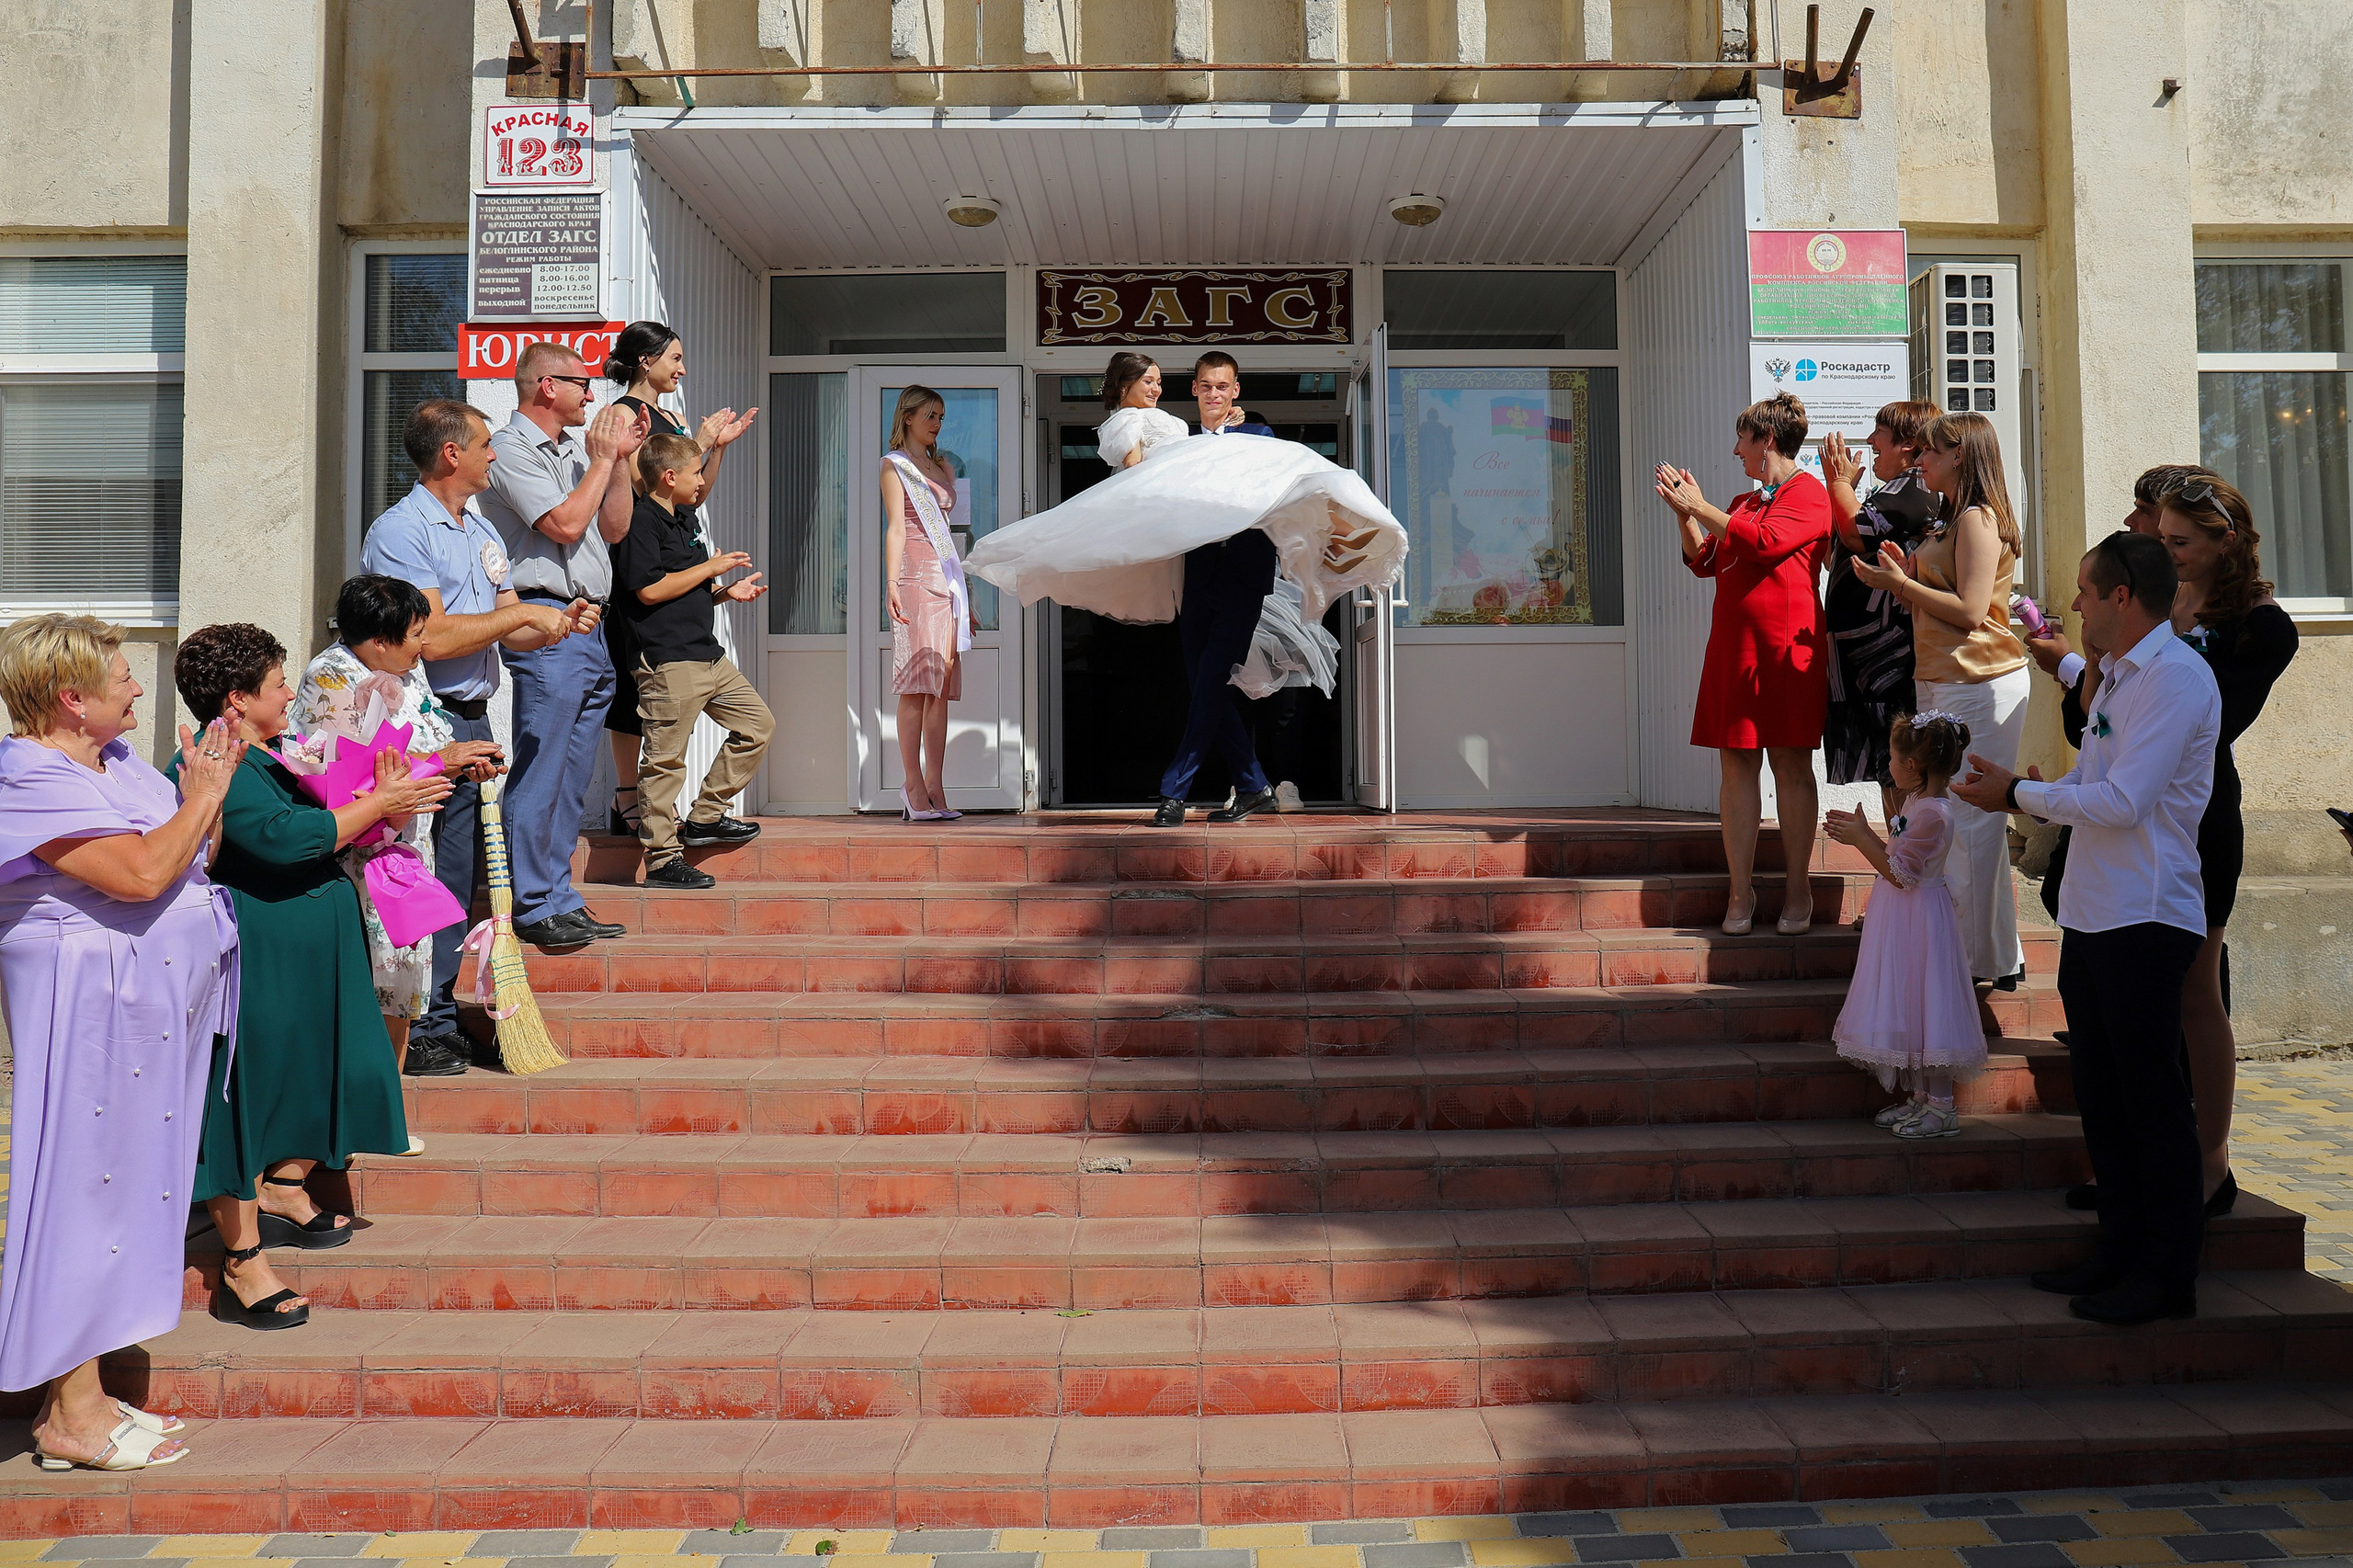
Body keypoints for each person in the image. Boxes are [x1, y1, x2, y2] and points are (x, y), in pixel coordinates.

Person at [1955, 530, 2221, 1326]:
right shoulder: (2114, 680)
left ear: (2121, 598)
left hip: (2147, 912)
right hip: (2097, 912)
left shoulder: (2176, 678)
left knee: (2152, 1101)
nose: (2069, 607)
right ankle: (2120, 1248)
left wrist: (2018, 798)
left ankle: (2167, 1274)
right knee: (2104, 1098)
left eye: (2082, 591)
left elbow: (2126, 804)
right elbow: (2095, 779)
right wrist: (2041, 789)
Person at [964, 349, 1405, 828]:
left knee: (1212, 679)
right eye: (1206, 386)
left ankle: (1174, 791)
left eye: (1223, 386)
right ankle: (1255, 787)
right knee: (1204, 686)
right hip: (1194, 578)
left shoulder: (1258, 436)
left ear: (1235, 391)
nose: (1214, 394)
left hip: (1243, 579)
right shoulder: (1182, 440)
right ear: (1194, 390)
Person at [0, 616, 243, 1469]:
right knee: (79, 1192)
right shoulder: (27, 776)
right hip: (85, 1016)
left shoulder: (117, 763)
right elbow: (142, 874)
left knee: (127, 1193)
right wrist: (204, 796)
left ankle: (92, 1393)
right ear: (72, 698)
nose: (141, 688)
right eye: (123, 677)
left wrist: (200, 798)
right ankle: (67, 1414)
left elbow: (195, 855)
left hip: (141, 1019)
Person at [172, 624, 449, 1313]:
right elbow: (284, 839)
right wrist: (376, 806)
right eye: (276, 684)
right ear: (236, 700)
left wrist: (377, 791)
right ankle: (245, 1244)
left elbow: (325, 808)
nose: (291, 692)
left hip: (312, 949)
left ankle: (286, 1181)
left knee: (332, 1067)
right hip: (267, 955)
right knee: (263, 1081)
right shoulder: (222, 762)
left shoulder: (269, 752)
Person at [360, 398, 585, 1078]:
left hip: (471, 715)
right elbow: (428, 635)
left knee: (457, 873)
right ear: (452, 454)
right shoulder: (402, 531)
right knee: (422, 870)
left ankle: (437, 1014)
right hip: (419, 718)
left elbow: (500, 622)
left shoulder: (479, 529)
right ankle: (417, 1021)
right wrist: (524, 617)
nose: (495, 454)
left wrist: (550, 621)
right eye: (486, 444)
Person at [289, 575, 506, 1096]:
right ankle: (357, 1106)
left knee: (405, 975)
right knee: (368, 976)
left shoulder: (406, 672)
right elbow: (348, 772)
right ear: (379, 641)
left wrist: (460, 764)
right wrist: (441, 761)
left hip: (407, 848)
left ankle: (386, 1105)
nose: (422, 645)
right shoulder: (332, 679)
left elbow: (433, 741)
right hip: (355, 856)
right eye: (413, 634)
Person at [1852, 411, 2029, 1010]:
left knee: (1970, 821)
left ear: (1961, 455)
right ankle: (1996, 955)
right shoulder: (1955, 517)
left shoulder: (1978, 518)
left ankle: (1974, 960)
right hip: (1949, 679)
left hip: (1978, 679)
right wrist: (1905, 574)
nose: (1918, 460)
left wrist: (1898, 585)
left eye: (1929, 452)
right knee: (1966, 820)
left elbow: (1974, 609)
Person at [474, 339, 644, 949]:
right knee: (543, 765)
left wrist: (617, 462)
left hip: (587, 621)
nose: (591, 395)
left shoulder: (579, 452)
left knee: (572, 772)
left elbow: (614, 529)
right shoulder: (509, 450)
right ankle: (529, 903)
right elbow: (565, 525)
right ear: (547, 385)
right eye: (581, 382)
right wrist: (601, 461)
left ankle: (558, 895)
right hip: (544, 617)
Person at [1654, 392, 1833, 937]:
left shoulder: (1810, 494)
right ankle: (1740, 891)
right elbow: (1706, 560)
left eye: (1743, 440)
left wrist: (1702, 508)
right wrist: (1685, 516)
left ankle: (1798, 889)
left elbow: (1766, 542)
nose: (1736, 450)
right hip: (1735, 648)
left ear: (1768, 442)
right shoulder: (1742, 500)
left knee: (1791, 764)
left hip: (1786, 651)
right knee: (1736, 765)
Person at [600, 321, 758, 836]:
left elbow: (690, 491)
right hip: (640, 563)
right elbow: (643, 490)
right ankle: (632, 806)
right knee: (631, 693)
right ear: (646, 361)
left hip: (677, 563)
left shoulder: (670, 416)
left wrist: (714, 449)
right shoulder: (623, 416)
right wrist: (697, 440)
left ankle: (689, 815)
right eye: (675, 359)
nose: (682, 369)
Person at [612, 430, 775, 887]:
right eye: (694, 473)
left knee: (757, 725)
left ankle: (705, 817)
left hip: (706, 655)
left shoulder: (681, 518)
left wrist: (723, 592)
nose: (701, 482)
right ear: (668, 477)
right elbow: (647, 590)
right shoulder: (640, 521)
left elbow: (682, 590)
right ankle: (662, 859)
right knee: (665, 762)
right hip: (667, 662)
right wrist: (709, 569)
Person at [1824, 710, 1985, 1140]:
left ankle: (1942, 1106)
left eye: (1893, 757)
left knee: (1929, 1002)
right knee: (1911, 999)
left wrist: (1863, 837)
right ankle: (1920, 1098)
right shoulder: (1916, 803)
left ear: (1913, 766)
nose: (1888, 764)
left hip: (1921, 921)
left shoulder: (1933, 813)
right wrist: (1867, 832)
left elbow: (1903, 874)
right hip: (1903, 918)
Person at [1821, 401, 1943, 822]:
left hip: (1889, 659)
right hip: (1867, 660)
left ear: (1908, 444)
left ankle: (1907, 865)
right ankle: (1901, 862)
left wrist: (1838, 482)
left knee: (1902, 766)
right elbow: (1835, 553)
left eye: (1879, 433)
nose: (1871, 442)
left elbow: (1855, 534)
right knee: (1888, 766)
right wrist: (1842, 492)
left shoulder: (1915, 486)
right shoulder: (1892, 489)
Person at [881, 384, 977, 822]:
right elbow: (897, 528)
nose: (937, 423)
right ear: (908, 418)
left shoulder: (941, 466)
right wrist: (891, 582)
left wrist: (965, 595)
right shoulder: (894, 466)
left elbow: (951, 534)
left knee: (940, 689)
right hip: (916, 578)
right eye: (930, 416)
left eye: (941, 416)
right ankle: (912, 785)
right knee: (917, 686)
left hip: (946, 579)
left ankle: (936, 784)